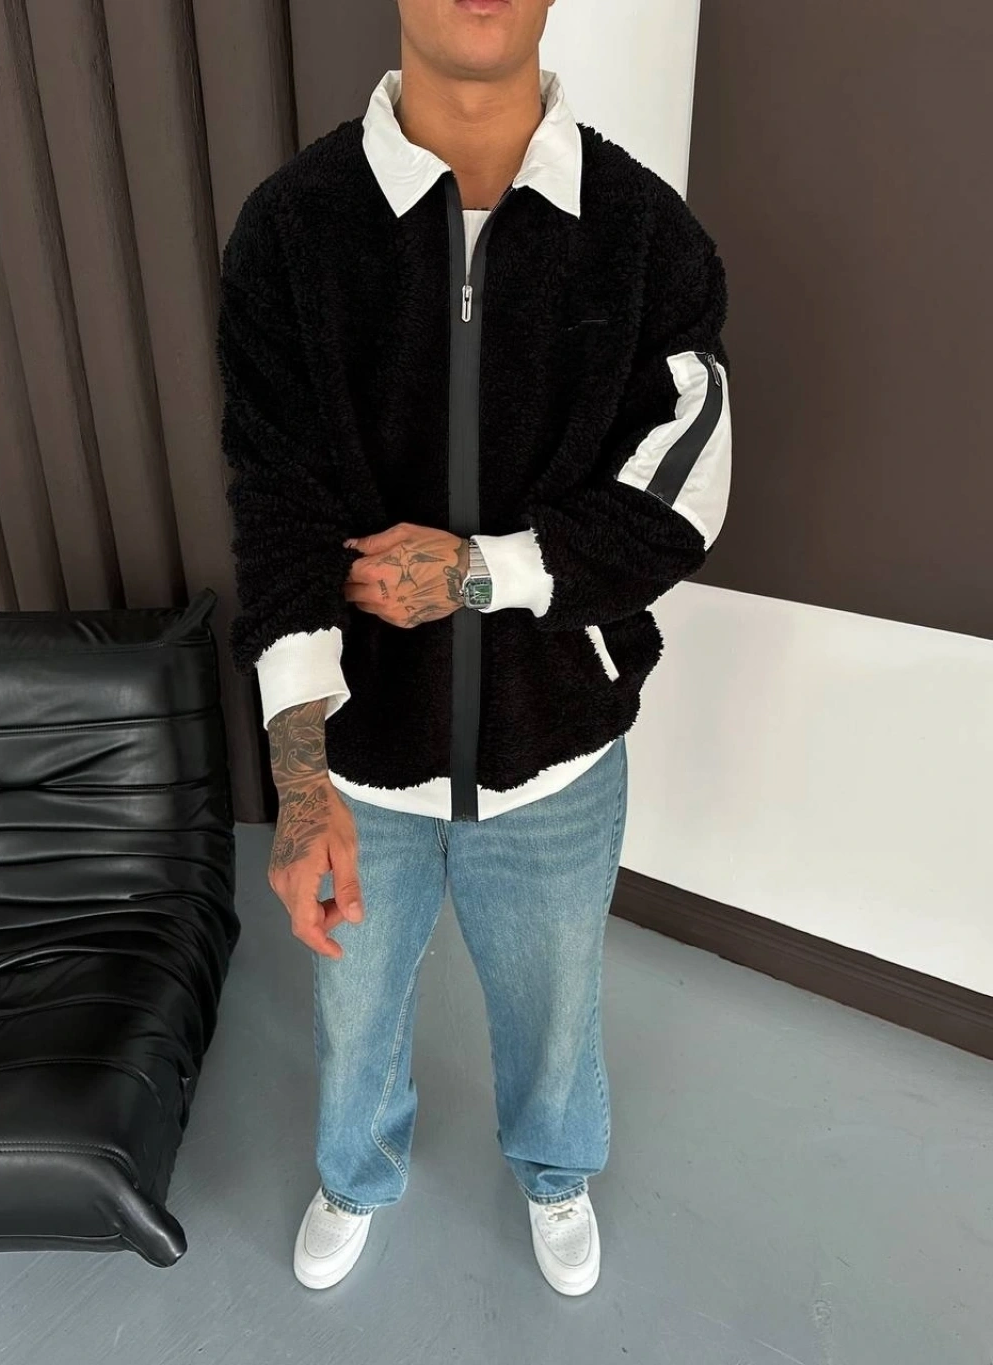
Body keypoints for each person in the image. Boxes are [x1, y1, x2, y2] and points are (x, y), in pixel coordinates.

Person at [217, 0, 731, 1298]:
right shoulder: (290, 231)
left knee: (558, 1012)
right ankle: (356, 1174)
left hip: (559, 754)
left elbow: (682, 494)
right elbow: (275, 504)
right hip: (360, 763)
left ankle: (556, 1173)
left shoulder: (645, 234)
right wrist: (300, 779)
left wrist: (481, 572)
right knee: (354, 1014)